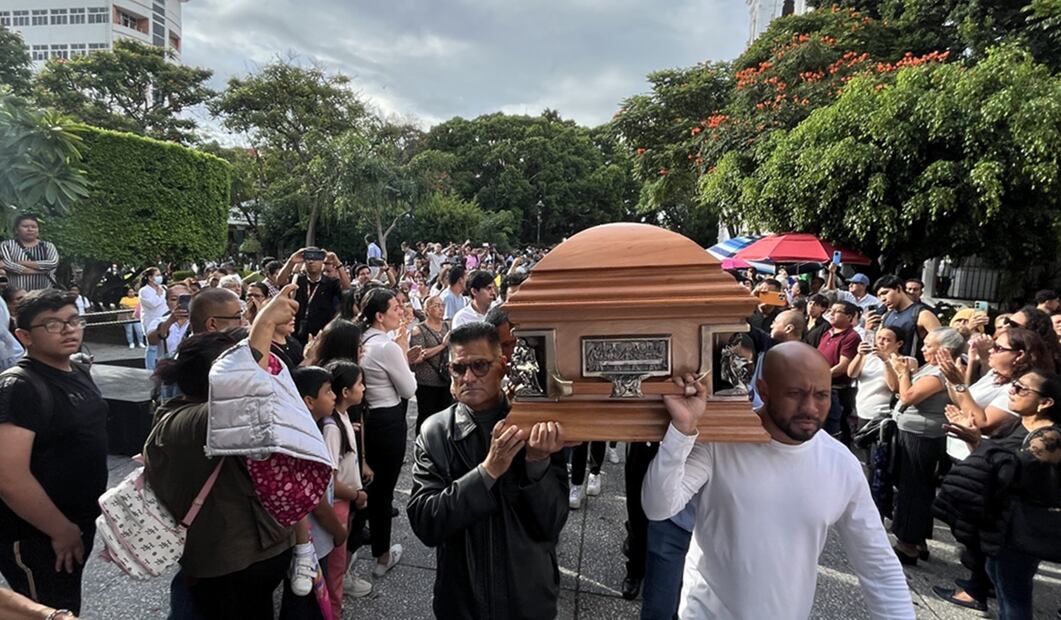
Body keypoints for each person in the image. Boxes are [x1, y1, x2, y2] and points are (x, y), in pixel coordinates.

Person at [641, 342, 914, 618]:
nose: (810, 407)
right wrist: (682, 430)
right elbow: (658, 506)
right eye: (795, 394)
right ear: (763, 390)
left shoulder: (842, 465)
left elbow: (878, 565)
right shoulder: (720, 443)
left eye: (821, 395)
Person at [408, 322, 569, 619]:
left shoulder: (535, 425)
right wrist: (487, 472)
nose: (468, 377)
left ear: (502, 366)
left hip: (528, 596)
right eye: (458, 368)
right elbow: (425, 522)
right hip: (462, 600)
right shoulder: (435, 432)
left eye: (480, 366)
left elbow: (551, 524)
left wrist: (537, 463)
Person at [146, 329, 295, 620]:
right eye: (236, 367)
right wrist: (265, 322)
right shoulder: (189, 421)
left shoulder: (208, 416)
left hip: (261, 550)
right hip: (228, 561)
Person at [0, 290, 108, 615]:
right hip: (37, 535)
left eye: (74, 320)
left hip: (76, 523)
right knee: (47, 611)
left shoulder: (76, 369)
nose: (68, 329)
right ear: (23, 336)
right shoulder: (19, 387)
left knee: (66, 605)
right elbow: (9, 476)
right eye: (52, 324)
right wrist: (59, 529)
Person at [934, 369, 1061, 619]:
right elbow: (994, 465)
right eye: (1013, 385)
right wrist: (974, 440)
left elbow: (1011, 469)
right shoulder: (1017, 423)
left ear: (1045, 402)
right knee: (1001, 581)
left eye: (1022, 389)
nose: (1012, 391)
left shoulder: (1050, 437)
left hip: (1023, 526)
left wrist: (977, 440)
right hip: (1001, 522)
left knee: (1014, 593)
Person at [885, 327, 965, 565]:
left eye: (929, 345)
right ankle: (917, 539)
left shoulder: (940, 372)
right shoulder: (930, 367)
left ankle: (908, 543)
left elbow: (908, 397)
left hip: (922, 435)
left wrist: (903, 373)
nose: (922, 349)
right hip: (913, 431)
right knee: (915, 486)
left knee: (914, 487)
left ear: (946, 350)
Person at [358, 288, 416, 578]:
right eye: (395, 307)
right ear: (379, 316)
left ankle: (352, 548)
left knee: (365, 487)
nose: (400, 311)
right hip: (387, 418)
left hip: (364, 418)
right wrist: (404, 352)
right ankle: (382, 556)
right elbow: (409, 389)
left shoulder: (362, 340)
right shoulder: (386, 346)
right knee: (382, 492)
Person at [322, 360, 372, 607]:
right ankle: (333, 608)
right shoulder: (332, 428)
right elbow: (330, 481)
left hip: (345, 501)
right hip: (339, 502)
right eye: (360, 384)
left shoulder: (341, 418)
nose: (363, 388)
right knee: (335, 564)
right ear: (345, 392)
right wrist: (356, 495)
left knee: (337, 560)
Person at [279, 247, 350, 345]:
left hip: (322, 333)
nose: (311, 262)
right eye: (308, 258)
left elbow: (347, 288)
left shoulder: (330, 282)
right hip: (297, 332)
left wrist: (338, 264)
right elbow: (280, 281)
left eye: (316, 258)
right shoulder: (298, 280)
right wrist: (291, 261)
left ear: (322, 262)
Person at [817, 301, 861, 438]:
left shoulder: (851, 337)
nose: (832, 313)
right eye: (831, 310)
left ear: (849, 317)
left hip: (837, 389)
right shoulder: (827, 333)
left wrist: (820, 376)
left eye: (837, 311)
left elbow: (843, 366)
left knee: (835, 430)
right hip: (821, 385)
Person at [409, 295, 452, 435]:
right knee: (426, 416)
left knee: (445, 417)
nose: (441, 309)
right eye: (436, 306)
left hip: (445, 379)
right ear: (427, 310)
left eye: (442, 305)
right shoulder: (419, 329)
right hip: (427, 382)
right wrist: (442, 346)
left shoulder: (448, 326)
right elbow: (420, 354)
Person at [873, 275, 941, 362]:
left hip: (912, 371)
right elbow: (878, 346)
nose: (882, 299)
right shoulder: (887, 316)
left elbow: (942, 344)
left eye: (885, 293)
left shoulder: (922, 314)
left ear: (898, 288)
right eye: (879, 296)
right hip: (885, 369)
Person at [0, 215, 59, 292]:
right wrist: (40, 270)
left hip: (44, 294)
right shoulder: (7, 245)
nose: (30, 229)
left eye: (33, 227)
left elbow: (53, 263)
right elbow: (7, 264)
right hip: (16, 295)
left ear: (38, 230)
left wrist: (21, 263)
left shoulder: (47, 246)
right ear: (16, 230)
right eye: (25, 226)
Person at [138, 267, 168, 370]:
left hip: (164, 320)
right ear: (150, 278)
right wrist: (159, 295)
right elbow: (152, 304)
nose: (160, 277)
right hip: (150, 321)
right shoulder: (144, 291)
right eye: (157, 275)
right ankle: (150, 369)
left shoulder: (163, 288)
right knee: (152, 346)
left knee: (163, 347)